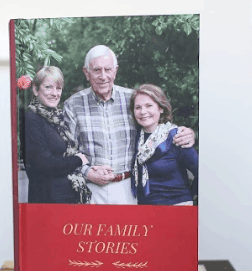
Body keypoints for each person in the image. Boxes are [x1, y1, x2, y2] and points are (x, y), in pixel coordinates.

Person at [63, 45, 196, 205]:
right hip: (91, 188)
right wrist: (88, 172)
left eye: (108, 69)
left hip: (127, 188)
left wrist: (186, 133)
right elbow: (67, 150)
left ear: (115, 70)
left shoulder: (132, 99)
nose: (103, 76)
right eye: (97, 70)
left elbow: (154, 128)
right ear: (86, 72)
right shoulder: (73, 104)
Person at [24, 66, 91, 204]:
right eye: (48, 87)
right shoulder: (32, 118)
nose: (55, 93)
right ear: (36, 90)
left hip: (67, 197)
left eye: (58, 88)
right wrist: (78, 160)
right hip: (47, 200)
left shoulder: (57, 118)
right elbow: (45, 164)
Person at [130, 84, 198, 205]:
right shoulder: (135, 138)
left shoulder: (176, 136)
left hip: (176, 207)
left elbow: (201, 172)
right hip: (145, 208)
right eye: (138, 107)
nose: (143, 112)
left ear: (161, 108)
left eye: (149, 106)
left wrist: (188, 198)